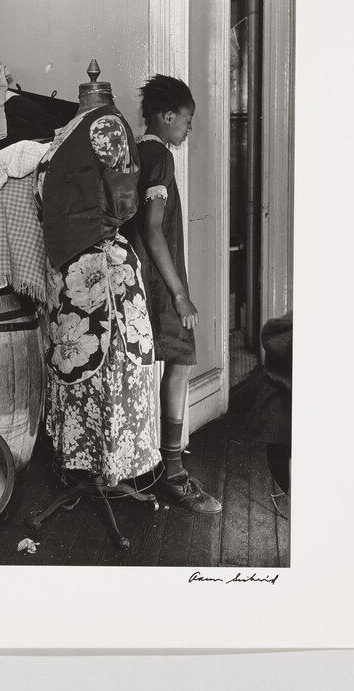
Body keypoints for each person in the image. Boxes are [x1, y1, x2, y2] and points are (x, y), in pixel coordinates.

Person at [36, 62, 160, 488]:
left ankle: (112, 468)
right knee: (77, 365)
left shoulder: (107, 126)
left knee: (106, 368)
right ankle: (89, 466)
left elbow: (124, 204)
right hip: (70, 275)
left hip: (100, 272)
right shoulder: (71, 127)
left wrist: (92, 234)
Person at [126, 74, 222, 513]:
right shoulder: (160, 156)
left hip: (140, 276)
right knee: (181, 364)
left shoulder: (140, 151)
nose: (188, 129)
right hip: (159, 280)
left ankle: (161, 464)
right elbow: (151, 229)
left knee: (163, 366)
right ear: (167, 117)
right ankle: (174, 472)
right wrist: (180, 294)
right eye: (186, 120)